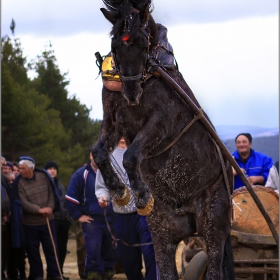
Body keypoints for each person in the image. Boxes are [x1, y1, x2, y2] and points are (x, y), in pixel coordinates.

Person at [95, 137, 159, 280]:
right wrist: (102, 197)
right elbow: (102, 185)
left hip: (145, 213)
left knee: (151, 253)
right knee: (128, 259)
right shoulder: (108, 158)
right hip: (122, 215)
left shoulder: (143, 151)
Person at [65, 152, 117, 280]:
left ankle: (107, 273)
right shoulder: (81, 174)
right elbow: (70, 197)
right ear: (91, 156)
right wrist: (78, 216)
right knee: (93, 249)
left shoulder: (112, 174)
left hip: (112, 219)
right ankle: (93, 274)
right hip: (92, 220)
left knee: (110, 250)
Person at [10, 156, 61, 280]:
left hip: (48, 220)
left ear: (31, 168)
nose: (20, 170)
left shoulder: (44, 177)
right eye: (20, 168)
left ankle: (54, 274)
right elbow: (23, 202)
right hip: (30, 224)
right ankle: (37, 275)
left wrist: (49, 207)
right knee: (33, 251)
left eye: (23, 168)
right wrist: (39, 210)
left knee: (51, 249)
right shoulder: (19, 183)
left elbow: (52, 193)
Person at [45, 161, 72, 280]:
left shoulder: (60, 186)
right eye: (50, 168)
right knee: (52, 248)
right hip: (52, 220)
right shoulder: (45, 185)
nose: (52, 170)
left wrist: (68, 217)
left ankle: (59, 272)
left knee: (62, 248)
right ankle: (52, 273)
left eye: (54, 168)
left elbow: (66, 202)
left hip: (63, 220)